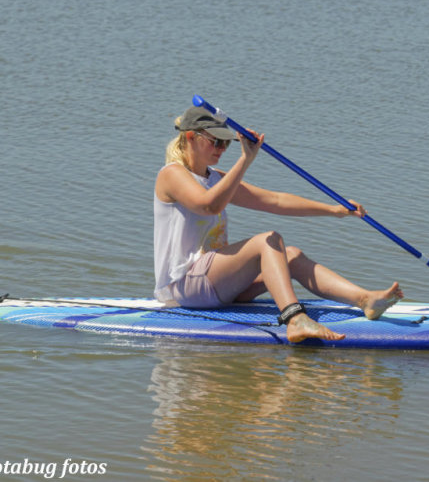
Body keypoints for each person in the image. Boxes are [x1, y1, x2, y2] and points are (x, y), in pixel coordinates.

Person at [153, 105, 403, 343]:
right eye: (215, 141)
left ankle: (364, 300)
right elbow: (209, 206)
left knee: (290, 256)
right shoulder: (172, 174)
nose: (221, 148)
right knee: (268, 240)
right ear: (190, 137)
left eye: (226, 142)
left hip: (215, 286)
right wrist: (245, 160)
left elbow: (275, 200)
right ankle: (294, 319)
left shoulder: (215, 178)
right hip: (185, 286)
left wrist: (335, 210)